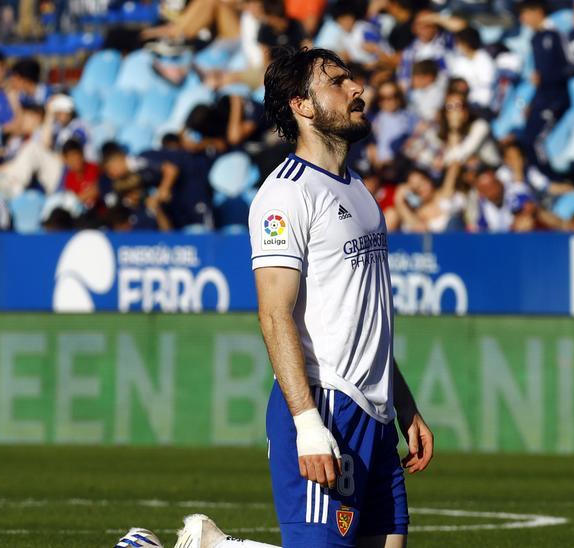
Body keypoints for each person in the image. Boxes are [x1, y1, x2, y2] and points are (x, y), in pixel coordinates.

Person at [168, 47, 434, 548]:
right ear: (302, 105)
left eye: (352, 79)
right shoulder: (285, 194)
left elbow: (365, 319)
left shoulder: (359, 190)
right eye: (337, 82)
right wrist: (308, 426)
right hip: (327, 404)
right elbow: (274, 314)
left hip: (375, 414)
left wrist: (405, 406)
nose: (356, 89)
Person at [520, 0, 574, 179]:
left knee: (535, 141)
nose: (523, 19)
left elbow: (571, 63)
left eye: (526, 13)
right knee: (527, 140)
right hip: (542, 98)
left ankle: (554, 180)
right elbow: (539, 77)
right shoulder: (535, 38)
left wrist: (551, 78)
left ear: (538, 11)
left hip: (556, 98)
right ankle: (543, 180)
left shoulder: (556, 33)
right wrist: (532, 101)